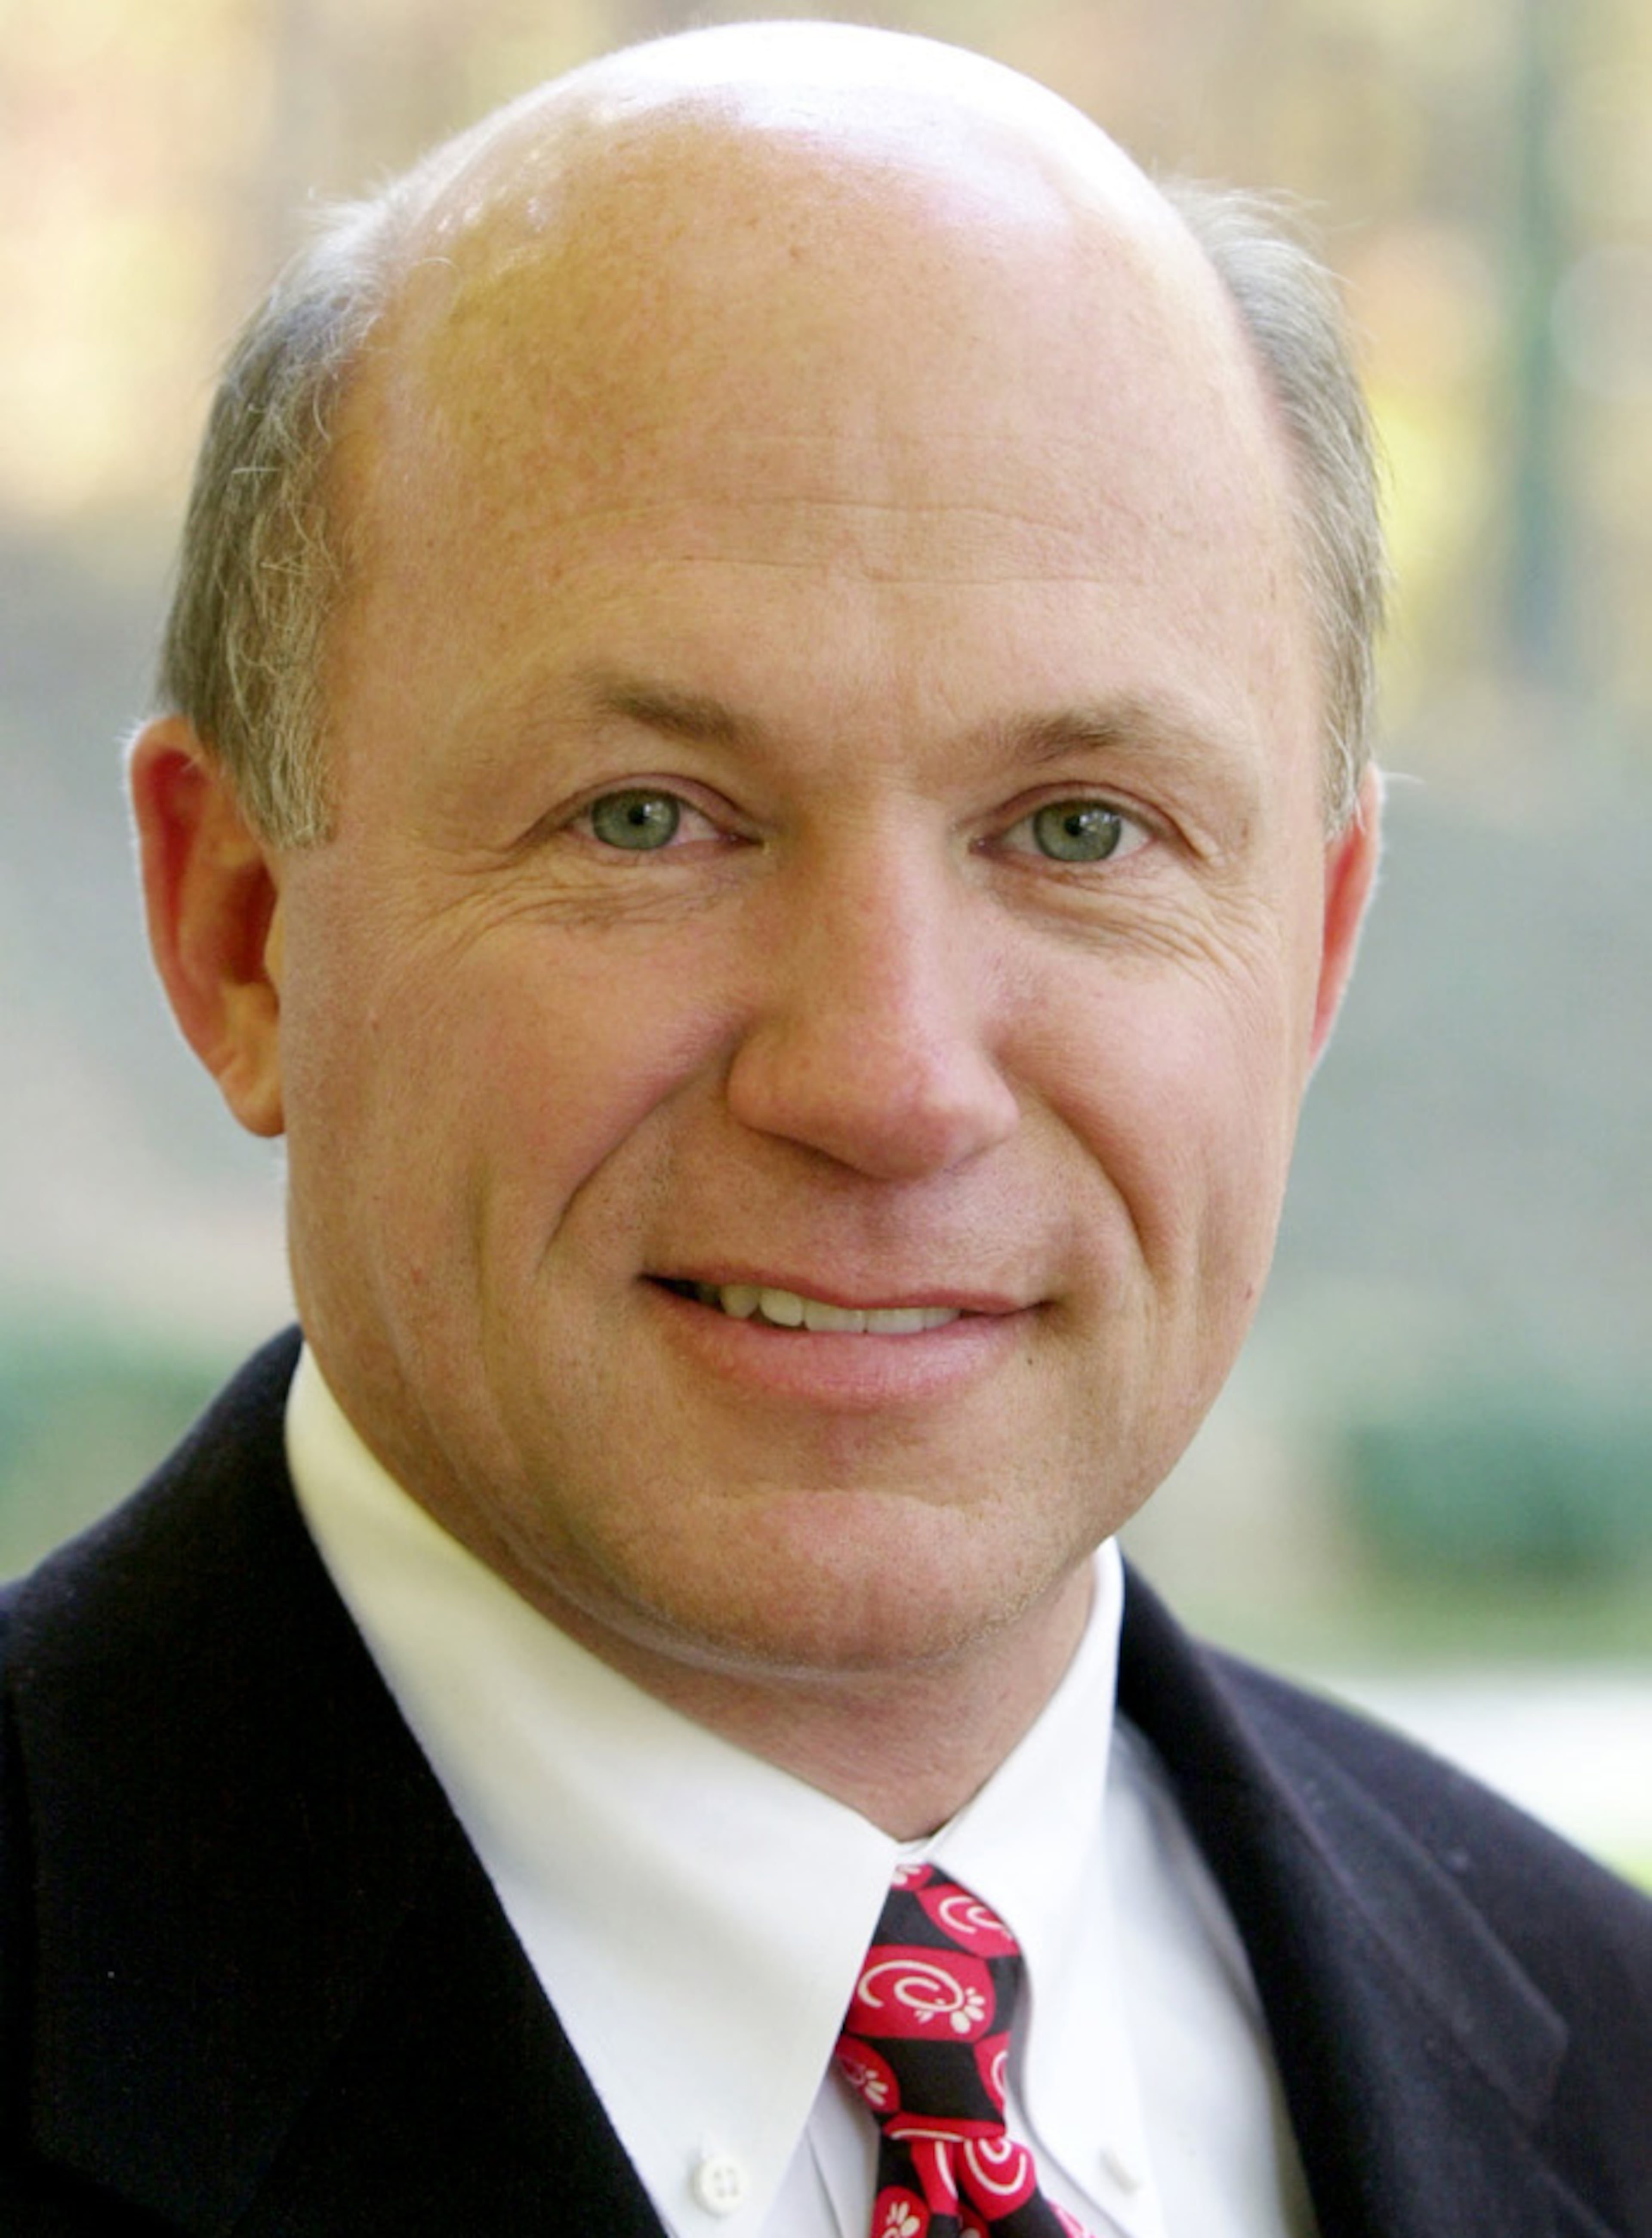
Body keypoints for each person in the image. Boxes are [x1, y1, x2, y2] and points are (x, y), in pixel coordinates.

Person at [2, 20, 1647, 2237]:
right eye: (651, 817)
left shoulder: (1614, 2058)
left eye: (1080, 828)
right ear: (240, 929)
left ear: (1316, 954)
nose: (883, 1080)